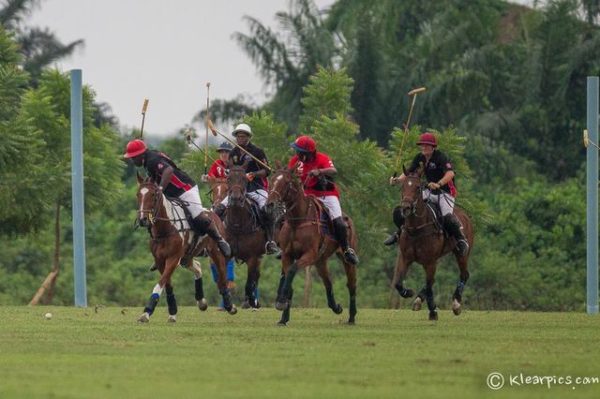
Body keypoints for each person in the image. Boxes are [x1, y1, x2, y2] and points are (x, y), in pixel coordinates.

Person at [123, 138, 231, 258]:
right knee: (154, 216)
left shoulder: (152, 160)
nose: (132, 160)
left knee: (198, 216)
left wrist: (160, 189)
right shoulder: (147, 160)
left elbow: (168, 171)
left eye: (133, 157)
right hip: (170, 193)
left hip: (185, 188)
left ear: (140, 154)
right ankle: (159, 248)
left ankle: (220, 239)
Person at [386, 132, 469, 256]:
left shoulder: (440, 157)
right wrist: (397, 180)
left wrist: (439, 184)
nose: (424, 147)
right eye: (422, 145)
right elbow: (408, 173)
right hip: (429, 191)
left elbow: (450, 173)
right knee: (409, 207)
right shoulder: (419, 157)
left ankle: (461, 239)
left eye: (427, 145)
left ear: (433, 147)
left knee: (447, 217)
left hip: (445, 192)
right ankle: (399, 233)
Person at [288, 135, 359, 265]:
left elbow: (333, 170)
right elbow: (288, 175)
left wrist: (319, 171)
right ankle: (285, 245)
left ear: (307, 153)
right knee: (287, 215)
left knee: (338, 221)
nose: (296, 153)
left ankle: (346, 249)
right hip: (306, 194)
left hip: (326, 194)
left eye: (299, 151)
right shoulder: (295, 161)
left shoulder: (322, 158)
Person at [213, 123, 280, 256]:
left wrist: (254, 174)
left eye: (243, 136)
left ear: (248, 137)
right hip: (238, 189)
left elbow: (267, 171)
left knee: (267, 210)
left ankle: (270, 241)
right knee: (219, 209)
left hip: (256, 188)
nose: (240, 139)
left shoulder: (257, 152)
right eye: (238, 136)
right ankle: (217, 240)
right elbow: (231, 169)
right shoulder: (233, 153)